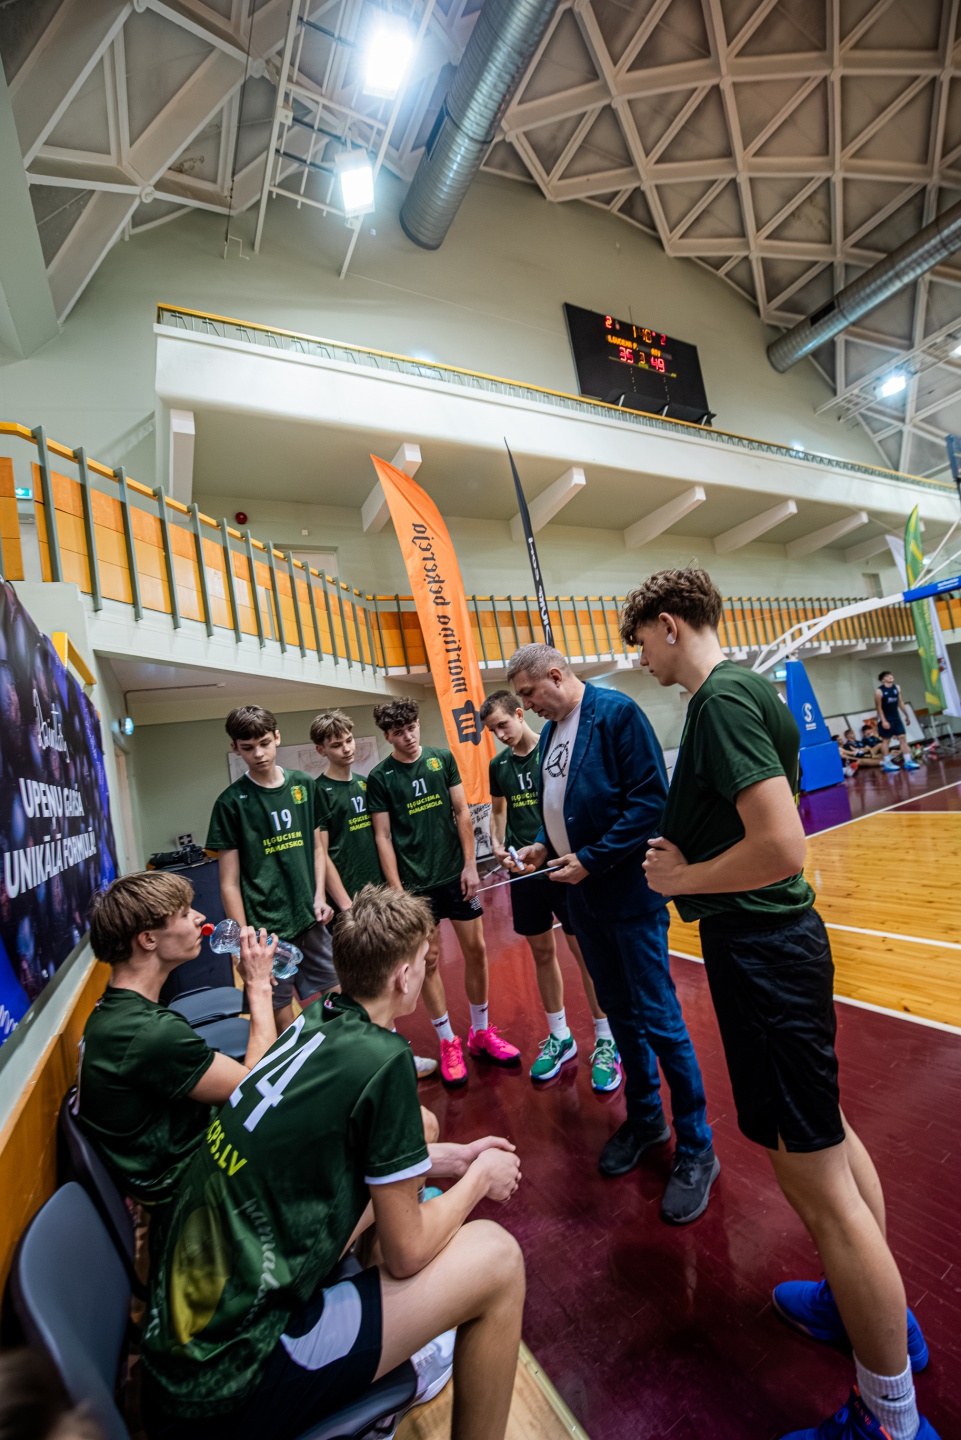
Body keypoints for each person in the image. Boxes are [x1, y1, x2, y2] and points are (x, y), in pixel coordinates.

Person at [622, 567, 934, 1440]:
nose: (639, 658)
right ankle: (860, 1306)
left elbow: (781, 846)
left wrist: (680, 879)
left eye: (639, 641)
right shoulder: (748, 688)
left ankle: (888, 1418)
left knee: (817, 1183)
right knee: (826, 1135)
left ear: (669, 624)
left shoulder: (721, 701)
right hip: (775, 949)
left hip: (762, 955)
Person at [139, 885, 525, 1440]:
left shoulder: (316, 1016)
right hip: (229, 1381)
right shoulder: (385, 1059)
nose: (426, 969)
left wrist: (455, 1160)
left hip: (177, 1350)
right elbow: (409, 1251)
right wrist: (480, 1179)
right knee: (498, 1257)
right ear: (403, 976)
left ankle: (389, 1346)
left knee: (415, 1145)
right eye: (424, 960)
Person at [506, 644, 717, 1226]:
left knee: (661, 1020)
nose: (526, 706)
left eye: (529, 693)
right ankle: (647, 1121)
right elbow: (560, 807)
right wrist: (543, 845)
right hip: (585, 899)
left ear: (555, 675)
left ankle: (697, 1146)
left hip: (626, 895)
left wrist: (592, 859)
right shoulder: (553, 732)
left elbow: (649, 803)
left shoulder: (616, 713)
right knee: (620, 1016)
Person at [77, 871, 276, 1209]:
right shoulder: (150, 1033)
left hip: (178, 1158)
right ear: (148, 939)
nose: (200, 917)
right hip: (188, 1188)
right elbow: (255, 1088)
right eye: (184, 913)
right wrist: (258, 985)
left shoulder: (117, 1010)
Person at [366, 698, 521, 1087]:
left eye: (412, 727)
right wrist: (398, 892)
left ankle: (480, 1032)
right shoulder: (381, 778)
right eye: (399, 732)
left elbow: (462, 812)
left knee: (477, 950)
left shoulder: (440, 759)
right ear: (387, 736)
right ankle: (447, 1040)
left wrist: (470, 865)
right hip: (416, 887)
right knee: (430, 960)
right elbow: (383, 836)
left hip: (456, 875)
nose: (408, 736)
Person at [480, 689, 622, 1091]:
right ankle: (560, 1036)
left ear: (519, 713)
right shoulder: (498, 765)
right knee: (542, 953)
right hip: (524, 874)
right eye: (493, 731)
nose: (501, 735)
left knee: (586, 954)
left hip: (561, 866)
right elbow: (499, 810)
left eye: (502, 725)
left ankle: (607, 1039)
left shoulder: (554, 749)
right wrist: (496, 843)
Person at [311, 707, 438, 1082]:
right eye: (337, 744)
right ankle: (365, 1065)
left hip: (377, 899)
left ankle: (391, 1055)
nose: (347, 748)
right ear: (321, 750)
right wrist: (346, 905)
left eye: (349, 740)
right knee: (357, 990)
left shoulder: (367, 785)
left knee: (385, 982)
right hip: (349, 907)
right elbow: (321, 854)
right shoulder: (319, 792)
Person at [207, 705, 335, 1032]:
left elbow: (317, 849)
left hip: (309, 917)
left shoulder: (304, 785)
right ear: (235, 748)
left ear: (277, 737)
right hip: (265, 930)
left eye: (264, 743)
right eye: (248, 748)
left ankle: (344, 1054)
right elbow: (229, 883)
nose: (259, 754)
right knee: (279, 1011)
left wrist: (320, 896)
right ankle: (296, 1064)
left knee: (339, 993)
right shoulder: (229, 803)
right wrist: (243, 941)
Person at [875, 672, 920, 772]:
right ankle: (887, 763)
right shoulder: (879, 691)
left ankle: (908, 761)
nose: (890, 677)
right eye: (887, 676)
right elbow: (878, 707)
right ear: (883, 680)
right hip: (886, 718)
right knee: (886, 740)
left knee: (903, 737)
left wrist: (907, 715)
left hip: (896, 718)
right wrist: (883, 721)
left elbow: (900, 702)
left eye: (891, 675)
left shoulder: (897, 688)